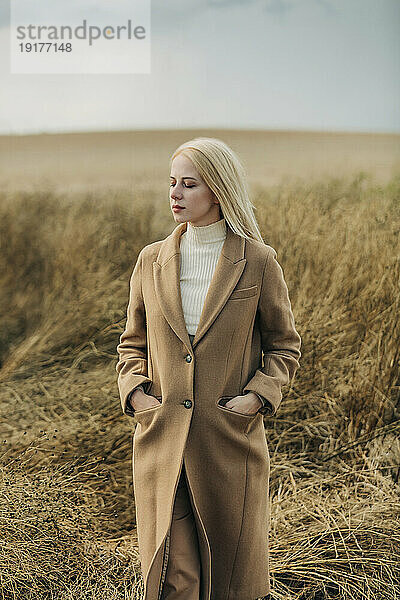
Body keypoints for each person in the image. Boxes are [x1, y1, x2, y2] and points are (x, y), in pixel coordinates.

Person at [116, 137, 302, 600]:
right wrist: (137, 393)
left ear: (217, 189)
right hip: (162, 438)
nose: (174, 194)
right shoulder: (150, 260)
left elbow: (284, 346)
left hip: (227, 439)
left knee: (231, 579)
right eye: (171, 183)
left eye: (189, 184)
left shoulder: (258, 261)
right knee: (174, 577)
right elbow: (131, 344)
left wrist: (256, 398)